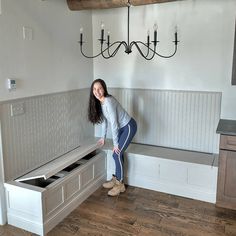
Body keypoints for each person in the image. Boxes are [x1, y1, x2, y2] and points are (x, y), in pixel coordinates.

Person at [88, 79, 137, 196]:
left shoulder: (108, 101)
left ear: (104, 88)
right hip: (122, 128)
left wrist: (115, 144)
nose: (97, 91)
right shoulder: (100, 102)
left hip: (129, 126)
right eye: (94, 89)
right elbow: (105, 121)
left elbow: (114, 124)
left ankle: (120, 185)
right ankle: (116, 179)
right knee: (117, 154)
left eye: (99, 88)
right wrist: (103, 137)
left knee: (117, 153)